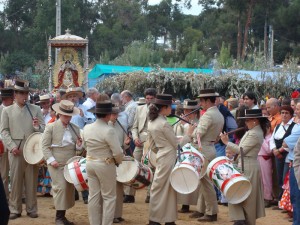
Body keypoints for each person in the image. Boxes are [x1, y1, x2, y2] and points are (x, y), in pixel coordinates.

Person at [0, 80, 45, 220]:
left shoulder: (35, 109)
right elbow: (4, 131)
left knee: (31, 180)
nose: (24, 96)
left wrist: (37, 127)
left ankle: (32, 208)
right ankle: (15, 208)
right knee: (15, 180)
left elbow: (44, 129)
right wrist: (12, 146)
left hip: (32, 149)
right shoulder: (7, 111)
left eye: (26, 93)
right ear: (15, 94)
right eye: (21, 93)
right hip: (16, 150)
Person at [220, 109, 268, 225]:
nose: (246, 123)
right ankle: (240, 219)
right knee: (237, 193)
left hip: (249, 166)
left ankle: (244, 220)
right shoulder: (253, 131)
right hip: (245, 165)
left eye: (247, 120)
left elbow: (242, 151)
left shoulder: (255, 133)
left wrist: (227, 143)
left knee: (246, 196)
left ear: (255, 120)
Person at [82, 101, 123, 225]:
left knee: (93, 196)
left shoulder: (87, 127)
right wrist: (119, 161)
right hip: (105, 164)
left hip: (90, 162)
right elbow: (117, 152)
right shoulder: (108, 130)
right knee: (109, 197)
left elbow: (85, 145)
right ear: (108, 114)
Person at [42, 100, 82, 225]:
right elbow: (44, 146)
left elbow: (79, 149)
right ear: (59, 114)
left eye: (69, 115)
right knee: (61, 188)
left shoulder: (75, 128)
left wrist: (80, 146)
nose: (68, 118)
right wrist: (51, 160)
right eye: (65, 115)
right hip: (56, 162)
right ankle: (58, 218)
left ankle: (62, 216)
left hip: (70, 162)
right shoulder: (51, 127)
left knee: (68, 189)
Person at [188, 89, 224, 222]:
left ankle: (211, 212)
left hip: (203, 149)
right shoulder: (218, 114)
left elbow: (199, 133)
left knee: (206, 182)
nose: (200, 103)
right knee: (204, 181)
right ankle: (201, 209)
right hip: (209, 147)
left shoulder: (208, 115)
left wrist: (191, 131)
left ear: (208, 101)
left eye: (202, 101)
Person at [147, 94, 177, 225]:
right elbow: (177, 144)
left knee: (165, 187)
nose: (172, 108)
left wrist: (161, 151)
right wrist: (189, 134)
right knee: (161, 187)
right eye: (170, 106)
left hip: (162, 155)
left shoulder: (152, 122)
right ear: (164, 107)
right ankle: (155, 219)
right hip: (168, 156)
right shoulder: (163, 123)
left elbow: (152, 145)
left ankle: (168, 219)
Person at [127, 88, 156, 203]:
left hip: (151, 142)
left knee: (151, 167)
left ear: (155, 98)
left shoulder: (159, 110)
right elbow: (134, 127)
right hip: (139, 142)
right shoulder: (139, 108)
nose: (149, 100)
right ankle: (129, 194)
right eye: (147, 98)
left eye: (151, 98)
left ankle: (150, 194)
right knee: (133, 166)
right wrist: (135, 138)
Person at [175, 99, 200, 213]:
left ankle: (192, 205)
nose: (186, 112)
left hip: (192, 152)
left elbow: (193, 137)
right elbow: (176, 134)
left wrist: (185, 126)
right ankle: (184, 204)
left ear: (194, 112)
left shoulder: (197, 122)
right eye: (185, 110)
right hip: (181, 151)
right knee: (182, 177)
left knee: (193, 178)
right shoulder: (180, 121)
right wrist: (182, 125)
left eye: (188, 110)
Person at [270, 106, 296, 201]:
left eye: (286, 113)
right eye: (282, 113)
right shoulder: (278, 126)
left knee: (285, 177)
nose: (284, 115)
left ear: (291, 115)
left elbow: (293, 142)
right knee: (279, 177)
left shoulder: (294, 126)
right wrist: (274, 150)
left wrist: (280, 150)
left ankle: (285, 200)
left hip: (287, 155)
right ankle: (280, 199)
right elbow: (271, 140)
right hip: (277, 155)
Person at [0, 88, 14, 199]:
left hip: (16, 144)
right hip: (3, 145)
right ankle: (5, 197)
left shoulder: (16, 109)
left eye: (7, 98)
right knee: (4, 174)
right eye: (3, 98)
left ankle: (20, 195)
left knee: (17, 173)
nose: (5, 100)